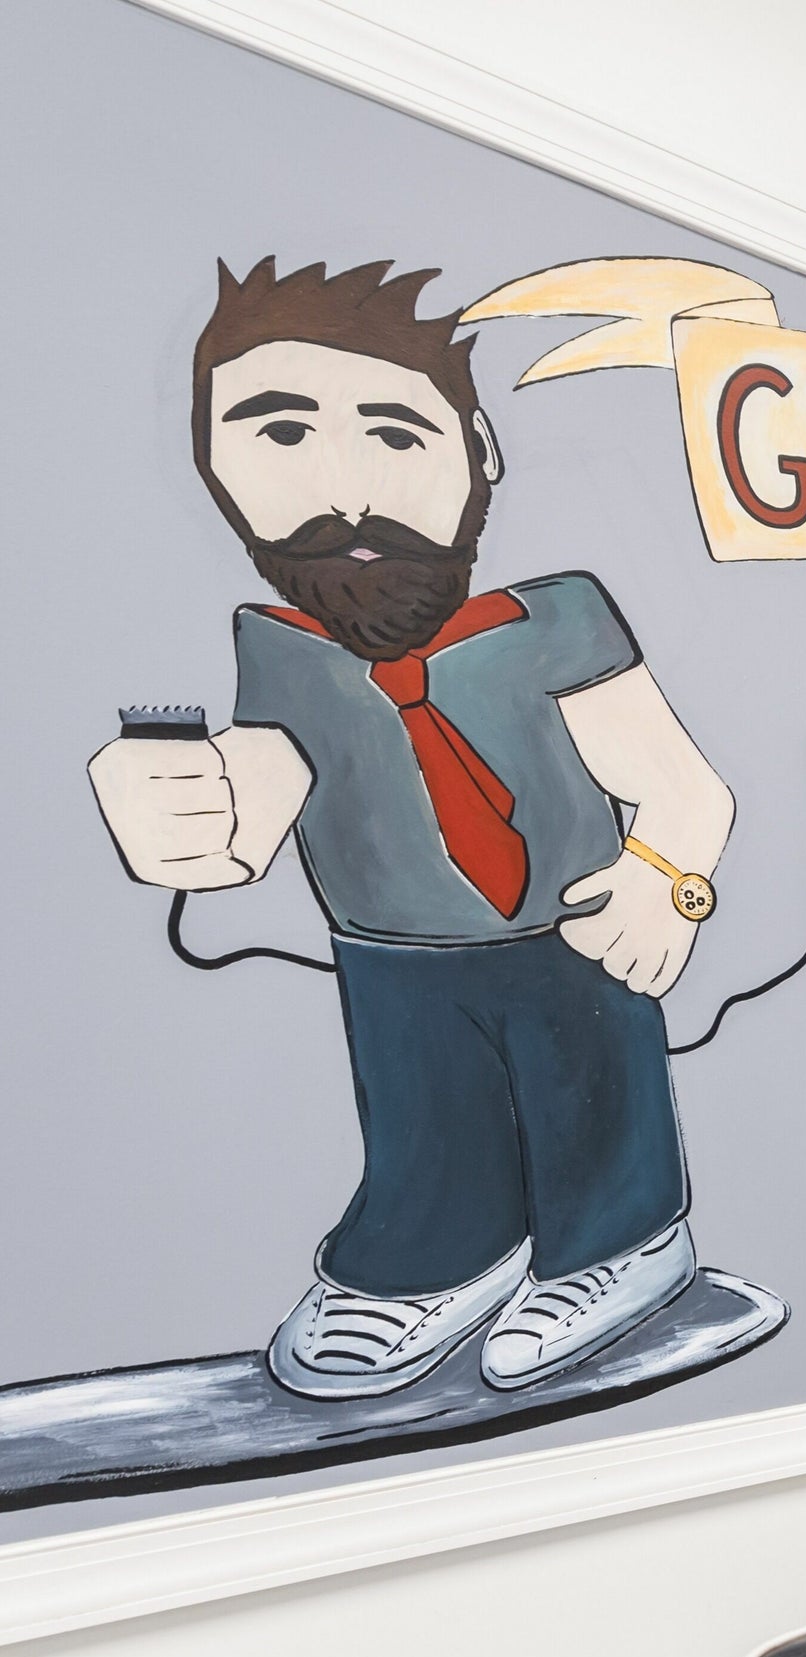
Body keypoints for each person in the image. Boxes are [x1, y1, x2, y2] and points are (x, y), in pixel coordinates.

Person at [86, 257, 733, 1399]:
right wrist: (178, 819)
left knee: (589, 1097)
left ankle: (619, 1243)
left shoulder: (558, 624)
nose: (344, 491)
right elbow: (257, 801)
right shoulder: (284, 653)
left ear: (477, 454)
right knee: (425, 1129)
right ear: (215, 465)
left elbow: (686, 789)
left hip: (569, 941)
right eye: (278, 436)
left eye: (394, 434)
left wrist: (668, 878)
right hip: (391, 956)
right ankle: (433, 1259)